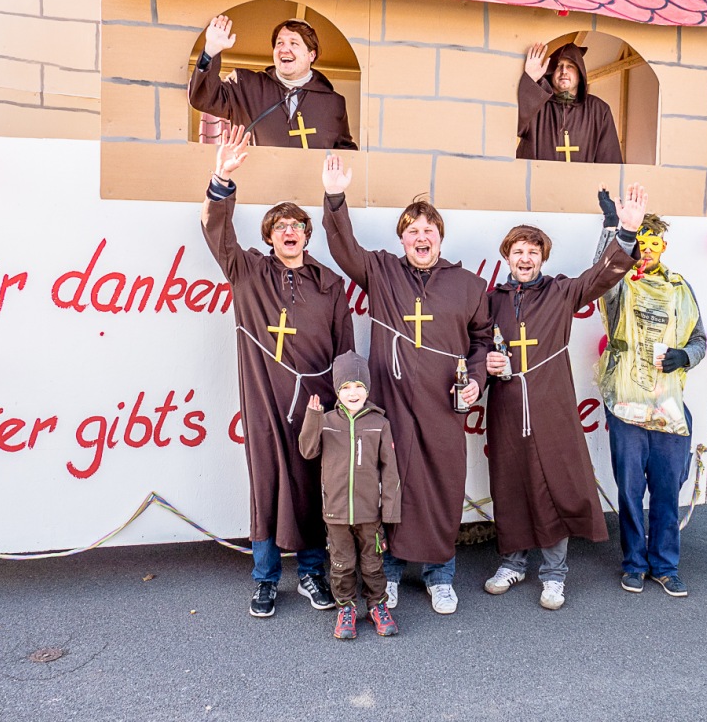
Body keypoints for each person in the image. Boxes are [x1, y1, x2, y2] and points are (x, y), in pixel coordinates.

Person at [321, 155, 493, 615]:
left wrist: (475, 382)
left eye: (429, 230)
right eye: (413, 231)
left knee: (442, 485)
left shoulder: (470, 286)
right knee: (389, 485)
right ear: (402, 239)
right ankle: (390, 572)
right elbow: (343, 248)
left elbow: (481, 342)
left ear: (440, 237)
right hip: (391, 404)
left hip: (442, 405)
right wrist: (335, 198)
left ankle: (441, 576)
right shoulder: (381, 271)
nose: (421, 237)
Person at [201, 126, 355, 618]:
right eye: (280, 226)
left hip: (314, 404)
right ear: (269, 238)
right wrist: (222, 180)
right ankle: (265, 578)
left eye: (298, 224)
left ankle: (311, 573)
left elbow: (345, 350)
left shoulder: (330, 285)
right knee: (266, 484)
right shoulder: (247, 271)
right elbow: (217, 233)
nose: (290, 230)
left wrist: (338, 405)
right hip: (266, 401)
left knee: (311, 487)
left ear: (307, 235)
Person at [482, 187, 644, 610]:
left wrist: (625, 232)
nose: (525, 258)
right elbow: (475, 345)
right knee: (510, 483)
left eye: (533, 251)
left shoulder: (561, 292)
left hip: (552, 407)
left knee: (554, 482)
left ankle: (554, 575)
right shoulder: (491, 301)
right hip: (505, 408)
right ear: (507, 256)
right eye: (518, 250)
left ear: (542, 258)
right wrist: (487, 362)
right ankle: (513, 562)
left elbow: (602, 276)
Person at [595, 193, 706, 597]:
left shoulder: (679, 287)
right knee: (629, 488)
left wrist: (685, 356)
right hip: (626, 404)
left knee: (666, 486)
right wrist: (613, 227)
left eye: (652, 241)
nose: (646, 250)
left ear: (663, 244)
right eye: (639, 242)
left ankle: (665, 565)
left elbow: (699, 339)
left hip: (669, 406)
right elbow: (601, 273)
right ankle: (634, 562)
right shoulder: (620, 285)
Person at [300, 350, 401, 639]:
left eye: (359, 386)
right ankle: (345, 608)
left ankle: (377, 606)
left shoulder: (380, 423)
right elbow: (307, 451)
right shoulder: (327, 421)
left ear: (367, 390)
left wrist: (390, 511)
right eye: (346, 387)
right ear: (337, 390)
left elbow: (389, 470)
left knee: (373, 563)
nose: (353, 393)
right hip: (336, 512)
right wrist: (313, 417)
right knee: (341, 564)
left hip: (370, 512)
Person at [188, 15, 357, 150]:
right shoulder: (245, 85)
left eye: (294, 43)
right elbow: (203, 98)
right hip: (254, 188)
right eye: (279, 43)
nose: (284, 49)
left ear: (311, 55)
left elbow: (345, 154)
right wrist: (211, 50)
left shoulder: (334, 102)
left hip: (310, 192)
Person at [516, 41, 623, 163]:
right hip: (538, 181)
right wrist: (531, 80)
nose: (563, 71)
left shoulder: (599, 110)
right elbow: (513, 126)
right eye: (558, 65)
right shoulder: (536, 103)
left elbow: (610, 161)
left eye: (570, 66)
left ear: (580, 73)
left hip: (582, 182)